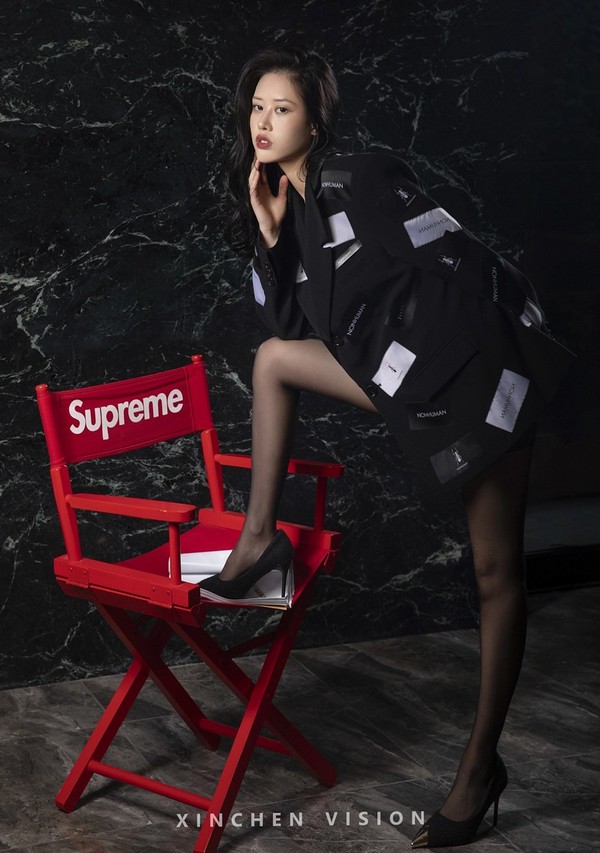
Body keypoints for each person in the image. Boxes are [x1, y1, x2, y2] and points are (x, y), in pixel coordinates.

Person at [199, 46, 574, 848]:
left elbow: (462, 260)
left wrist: (497, 363)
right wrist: (270, 234)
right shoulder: (296, 209)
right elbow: (294, 328)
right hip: (404, 380)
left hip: (476, 375)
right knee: (273, 360)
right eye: (257, 107)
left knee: (495, 572)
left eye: (282, 108)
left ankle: (479, 767)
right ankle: (259, 541)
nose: (264, 122)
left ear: (315, 121)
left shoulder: (360, 176)